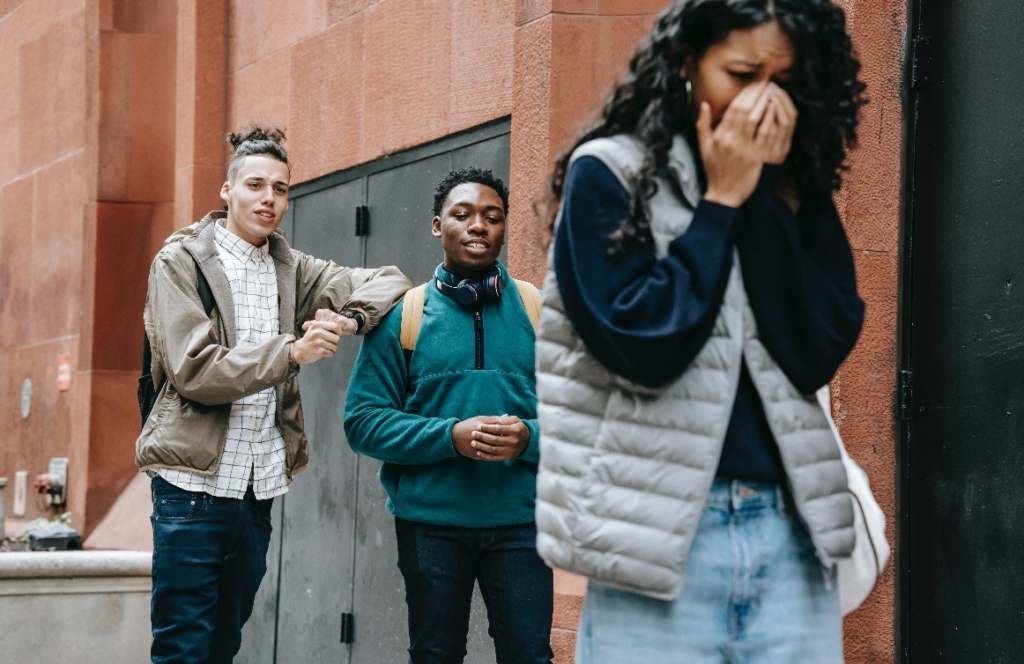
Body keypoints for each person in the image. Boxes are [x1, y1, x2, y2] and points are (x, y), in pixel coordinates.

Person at [533, 0, 867, 661]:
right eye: (742, 74)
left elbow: (815, 351)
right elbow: (641, 347)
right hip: (657, 543)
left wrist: (759, 196)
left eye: (786, 80)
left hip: (789, 535)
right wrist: (719, 205)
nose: (763, 100)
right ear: (688, 64)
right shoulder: (608, 172)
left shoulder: (795, 185)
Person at [136, 125, 412, 663]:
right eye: (256, 185)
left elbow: (390, 278)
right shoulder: (181, 262)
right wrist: (292, 352)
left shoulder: (291, 268)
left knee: (224, 646)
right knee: (181, 648)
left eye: (280, 188)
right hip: (191, 488)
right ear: (228, 190)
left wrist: (351, 320)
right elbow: (196, 370)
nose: (268, 199)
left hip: (255, 491)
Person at [344, 168, 554, 664]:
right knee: (435, 654)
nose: (478, 225)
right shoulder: (403, 316)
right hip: (430, 527)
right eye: (462, 215)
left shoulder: (539, 313)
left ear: (503, 228)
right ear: (438, 226)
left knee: (529, 654)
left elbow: (583, 420)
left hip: (523, 524)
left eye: (492, 216)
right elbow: (363, 421)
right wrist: (449, 436)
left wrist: (530, 437)